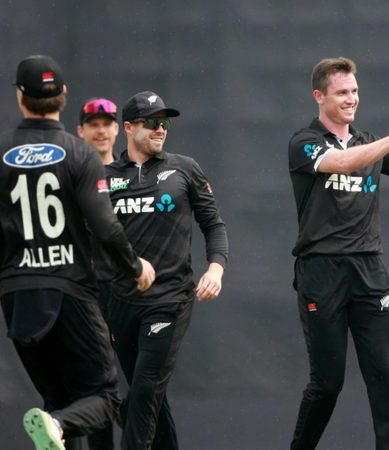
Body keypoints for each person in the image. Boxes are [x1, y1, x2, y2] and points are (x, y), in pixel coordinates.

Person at [288, 57, 389, 450]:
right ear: (319, 96)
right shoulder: (304, 142)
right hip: (321, 271)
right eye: (342, 92)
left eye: (355, 91)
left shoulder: (369, 142)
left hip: (369, 270)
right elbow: (343, 162)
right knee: (327, 384)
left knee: (385, 377)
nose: (352, 99)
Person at [0, 55, 154, 450]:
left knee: (58, 398)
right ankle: (57, 423)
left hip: (18, 295)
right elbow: (105, 227)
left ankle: (55, 422)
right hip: (69, 290)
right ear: (64, 95)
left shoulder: (1, 152)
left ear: (20, 97)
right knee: (103, 399)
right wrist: (134, 266)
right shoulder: (79, 153)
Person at [104, 91, 228, 450]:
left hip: (170, 299)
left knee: (145, 389)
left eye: (165, 123)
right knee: (148, 395)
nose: (161, 129)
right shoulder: (106, 177)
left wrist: (216, 270)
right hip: (120, 301)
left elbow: (214, 225)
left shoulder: (184, 168)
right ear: (129, 128)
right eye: (152, 122)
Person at [78, 97, 120, 450]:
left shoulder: (130, 174)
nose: (101, 130)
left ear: (118, 129)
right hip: (83, 291)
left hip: (125, 293)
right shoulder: (71, 175)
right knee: (90, 383)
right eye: (94, 125)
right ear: (81, 131)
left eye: (107, 124)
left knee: (138, 386)